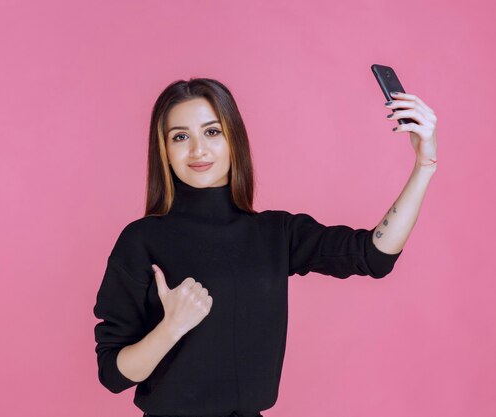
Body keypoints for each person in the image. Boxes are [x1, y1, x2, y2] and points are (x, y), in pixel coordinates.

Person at [93, 78, 438, 417]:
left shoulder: (275, 233)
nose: (198, 150)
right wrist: (172, 327)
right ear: (165, 152)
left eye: (212, 132)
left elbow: (374, 256)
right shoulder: (141, 240)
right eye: (180, 137)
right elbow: (113, 373)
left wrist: (424, 166)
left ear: (234, 140)